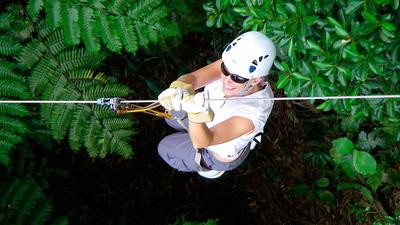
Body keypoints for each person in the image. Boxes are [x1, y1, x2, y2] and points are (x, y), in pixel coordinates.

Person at [157, 31, 276, 179]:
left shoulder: (253, 114)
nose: (226, 80)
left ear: (256, 80)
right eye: (224, 70)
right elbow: (194, 78)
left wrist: (195, 114)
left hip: (215, 149)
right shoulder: (236, 65)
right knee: (171, 113)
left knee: (165, 148)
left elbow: (203, 141)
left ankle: (209, 167)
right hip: (206, 116)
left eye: (237, 78)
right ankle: (190, 127)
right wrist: (178, 87)